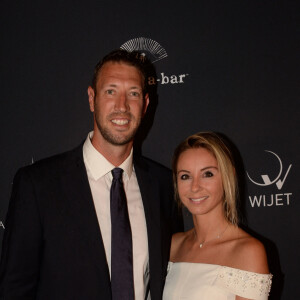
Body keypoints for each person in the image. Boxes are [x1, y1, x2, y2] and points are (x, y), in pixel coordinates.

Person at [0, 49, 182, 299]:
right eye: (111, 91)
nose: (122, 106)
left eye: (133, 93)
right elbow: (14, 289)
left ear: (146, 104)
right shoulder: (38, 185)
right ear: (91, 98)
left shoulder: (163, 186)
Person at [163, 132, 272, 300]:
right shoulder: (174, 244)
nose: (195, 186)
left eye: (208, 174)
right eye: (185, 176)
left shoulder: (248, 252)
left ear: (228, 176)